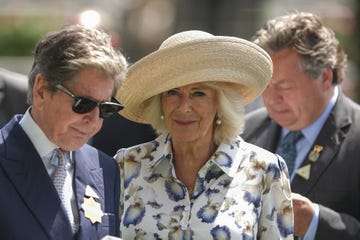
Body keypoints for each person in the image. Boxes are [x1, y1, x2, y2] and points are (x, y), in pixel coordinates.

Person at [114, 30, 293, 239]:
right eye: (172, 92)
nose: (184, 107)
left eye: (199, 93)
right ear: (159, 102)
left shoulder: (265, 170)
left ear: (220, 103)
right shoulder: (127, 165)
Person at [0, 24, 127, 239]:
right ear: (41, 91)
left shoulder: (105, 168)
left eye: (106, 108)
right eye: (83, 104)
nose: (94, 121)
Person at [241, 12, 360, 240]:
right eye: (266, 85)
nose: (271, 98)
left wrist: (315, 221)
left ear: (325, 77)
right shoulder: (246, 131)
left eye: (284, 86)